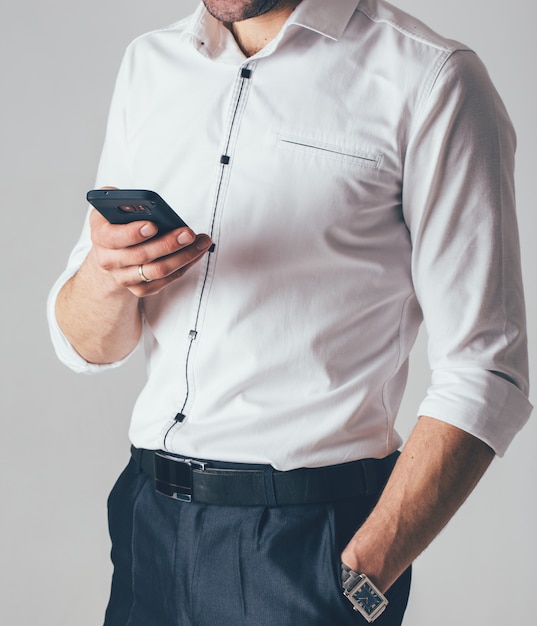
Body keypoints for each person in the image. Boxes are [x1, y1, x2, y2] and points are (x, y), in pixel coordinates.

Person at [48, 0, 532, 624]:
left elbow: (488, 369)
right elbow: (89, 345)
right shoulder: (150, 64)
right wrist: (107, 273)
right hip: (148, 525)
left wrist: (363, 575)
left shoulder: (432, 78)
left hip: (305, 546)